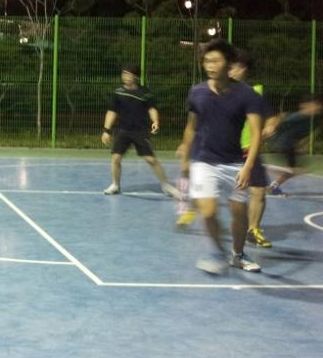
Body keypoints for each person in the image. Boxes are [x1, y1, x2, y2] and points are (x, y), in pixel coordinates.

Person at [178, 39, 265, 274]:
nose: (210, 66)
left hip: (234, 163)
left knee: (239, 213)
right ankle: (217, 252)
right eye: (207, 61)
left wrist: (248, 167)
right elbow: (191, 126)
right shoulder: (197, 92)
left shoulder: (247, 95)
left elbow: (256, 133)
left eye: (215, 61)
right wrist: (185, 155)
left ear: (229, 63)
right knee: (207, 212)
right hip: (204, 161)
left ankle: (238, 254)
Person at [100, 64, 181, 198]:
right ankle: (115, 185)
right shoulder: (118, 93)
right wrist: (106, 130)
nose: (125, 77)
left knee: (151, 160)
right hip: (123, 131)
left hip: (140, 131)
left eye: (128, 74)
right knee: (115, 158)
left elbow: (152, 109)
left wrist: (155, 121)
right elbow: (112, 111)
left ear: (136, 77)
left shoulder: (145, 93)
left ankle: (166, 186)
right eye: (124, 74)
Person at [229, 51, 272, 247]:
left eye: (235, 67)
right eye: (229, 67)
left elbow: (271, 117)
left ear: (244, 69)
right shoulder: (219, 91)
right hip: (226, 150)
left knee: (259, 191)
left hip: (249, 150)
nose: (231, 71)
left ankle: (253, 230)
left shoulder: (256, 92)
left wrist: (270, 125)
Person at [265, 94, 323, 195]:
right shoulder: (299, 116)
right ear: (306, 105)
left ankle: (273, 186)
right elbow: (281, 118)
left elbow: (300, 136)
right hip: (284, 145)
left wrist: (300, 146)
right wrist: (271, 128)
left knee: (294, 170)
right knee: (295, 170)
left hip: (289, 146)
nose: (318, 107)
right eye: (315, 105)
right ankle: (265, 170)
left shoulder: (311, 120)